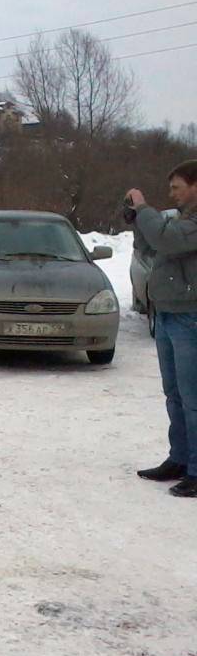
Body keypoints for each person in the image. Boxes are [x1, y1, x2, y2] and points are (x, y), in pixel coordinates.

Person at [128, 159, 197, 498]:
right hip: (169, 315)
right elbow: (153, 243)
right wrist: (137, 219)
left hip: (190, 317)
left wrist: (144, 207)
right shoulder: (180, 219)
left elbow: (168, 240)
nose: (172, 194)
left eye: (177, 188)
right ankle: (180, 459)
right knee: (175, 395)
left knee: (193, 397)